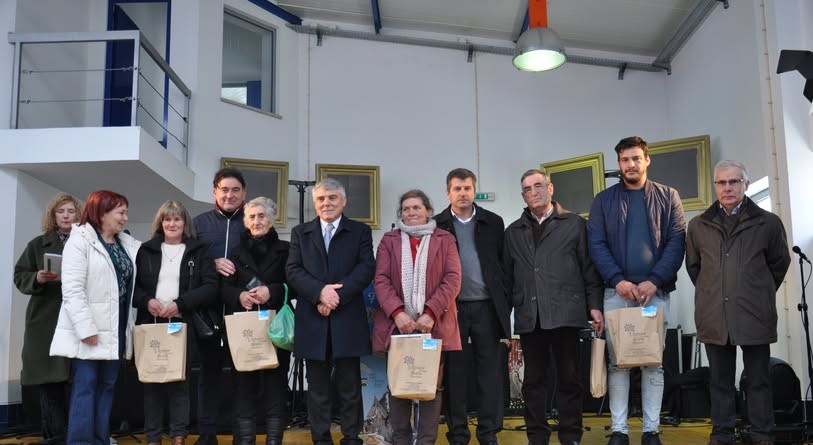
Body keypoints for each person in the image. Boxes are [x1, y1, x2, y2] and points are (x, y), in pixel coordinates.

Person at [587, 136, 686, 445]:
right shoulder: (603, 201)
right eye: (624, 160)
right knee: (618, 363)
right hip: (617, 294)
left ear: (647, 160)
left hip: (654, 294)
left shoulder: (669, 197)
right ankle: (619, 430)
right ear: (618, 164)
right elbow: (596, 245)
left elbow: (676, 242)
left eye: (635, 158)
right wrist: (619, 280)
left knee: (653, 362)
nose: (630, 164)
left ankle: (651, 430)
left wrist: (653, 280)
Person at [685, 160, 790, 445]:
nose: (727, 187)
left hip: (754, 314)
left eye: (734, 181)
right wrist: (715, 293)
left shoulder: (768, 223)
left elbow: (779, 264)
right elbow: (695, 268)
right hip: (714, 315)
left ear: (745, 183)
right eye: (721, 182)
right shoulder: (698, 225)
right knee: (719, 382)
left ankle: (762, 435)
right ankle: (722, 435)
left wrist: (756, 292)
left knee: (758, 381)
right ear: (715, 185)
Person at [504, 170, 604, 445]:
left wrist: (594, 306)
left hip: (566, 314)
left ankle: (570, 435)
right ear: (522, 195)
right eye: (527, 189)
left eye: (538, 186)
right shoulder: (513, 231)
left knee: (569, 379)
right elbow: (506, 277)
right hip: (530, 316)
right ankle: (537, 436)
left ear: (550, 188)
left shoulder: (574, 224)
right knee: (533, 382)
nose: (533, 192)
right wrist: (505, 318)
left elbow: (589, 269)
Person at [286, 178, 375, 445]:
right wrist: (319, 293)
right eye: (321, 199)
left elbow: (366, 268)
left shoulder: (359, 231)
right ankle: (321, 439)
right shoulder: (300, 233)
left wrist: (336, 295)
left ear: (344, 201)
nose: (327, 203)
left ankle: (351, 438)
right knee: (318, 390)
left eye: (332, 198)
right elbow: (292, 270)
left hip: (347, 317)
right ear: (315, 203)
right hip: (313, 319)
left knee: (349, 388)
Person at [49, 190, 140, 445]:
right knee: (86, 387)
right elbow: (72, 290)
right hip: (89, 327)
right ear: (102, 212)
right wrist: (85, 328)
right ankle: (79, 441)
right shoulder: (80, 241)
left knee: (107, 387)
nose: (125, 218)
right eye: (121, 212)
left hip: (117, 323)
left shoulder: (125, 243)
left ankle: (100, 439)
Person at [373, 189, 462, 445]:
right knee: (399, 388)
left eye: (417, 207)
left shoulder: (444, 239)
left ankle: (425, 441)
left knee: (431, 389)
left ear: (428, 211)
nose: (411, 212)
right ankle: (401, 441)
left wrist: (431, 312)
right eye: (406, 209)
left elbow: (453, 279)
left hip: (434, 327)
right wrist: (398, 312)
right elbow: (381, 280)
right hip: (397, 327)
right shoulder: (389, 240)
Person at [133, 201, 219, 445]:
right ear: (160, 223)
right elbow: (134, 289)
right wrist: (147, 301)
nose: (172, 224)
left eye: (177, 219)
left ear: (185, 223)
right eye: (167, 219)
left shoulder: (199, 250)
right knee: (151, 384)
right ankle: (152, 437)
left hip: (182, 325)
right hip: (151, 324)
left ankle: (178, 436)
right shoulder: (146, 250)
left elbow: (210, 287)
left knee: (179, 384)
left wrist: (180, 303)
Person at [434, 168, 510, 445]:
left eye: (467, 188)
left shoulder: (494, 222)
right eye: (457, 188)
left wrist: (505, 302)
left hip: (487, 308)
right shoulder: (437, 225)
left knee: (489, 373)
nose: (463, 193)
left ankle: (488, 433)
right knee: (455, 374)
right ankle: (458, 433)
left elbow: (504, 266)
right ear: (448, 193)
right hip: (451, 310)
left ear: (474, 190)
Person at [221, 197, 292, 445]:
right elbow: (222, 288)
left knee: (275, 390)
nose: (257, 220)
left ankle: (274, 441)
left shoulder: (286, 249)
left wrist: (271, 291)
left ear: (272, 219)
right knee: (243, 391)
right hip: (245, 330)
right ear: (246, 221)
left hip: (275, 329)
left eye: (262, 216)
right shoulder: (235, 253)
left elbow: (296, 286)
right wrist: (239, 295)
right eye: (252, 216)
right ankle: (245, 441)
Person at [13, 193, 82, 444]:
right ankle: (56, 438)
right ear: (53, 216)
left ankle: (74, 436)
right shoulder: (37, 244)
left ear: (78, 215)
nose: (66, 215)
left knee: (75, 382)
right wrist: (37, 278)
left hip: (77, 320)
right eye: (60, 211)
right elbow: (20, 276)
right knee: (50, 382)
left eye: (71, 211)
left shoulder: (86, 243)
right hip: (46, 320)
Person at [192, 167, 247, 445]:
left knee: (242, 377)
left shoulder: (251, 221)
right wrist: (211, 265)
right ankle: (207, 435)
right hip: (207, 312)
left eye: (235, 189)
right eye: (224, 189)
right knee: (208, 376)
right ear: (214, 192)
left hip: (242, 310)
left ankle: (242, 435)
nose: (229, 194)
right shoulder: (198, 223)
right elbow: (187, 264)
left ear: (243, 193)